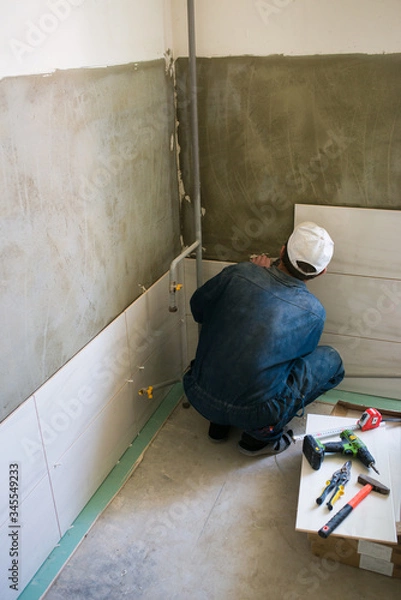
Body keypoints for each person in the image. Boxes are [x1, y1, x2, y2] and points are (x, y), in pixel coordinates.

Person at [183, 221, 345, 457]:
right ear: (322, 272)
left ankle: (219, 423)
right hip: (253, 412)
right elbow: (295, 364)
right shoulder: (314, 312)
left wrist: (250, 283)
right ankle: (261, 435)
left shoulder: (239, 273)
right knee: (332, 361)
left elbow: (198, 309)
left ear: (281, 251)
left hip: (197, 392)